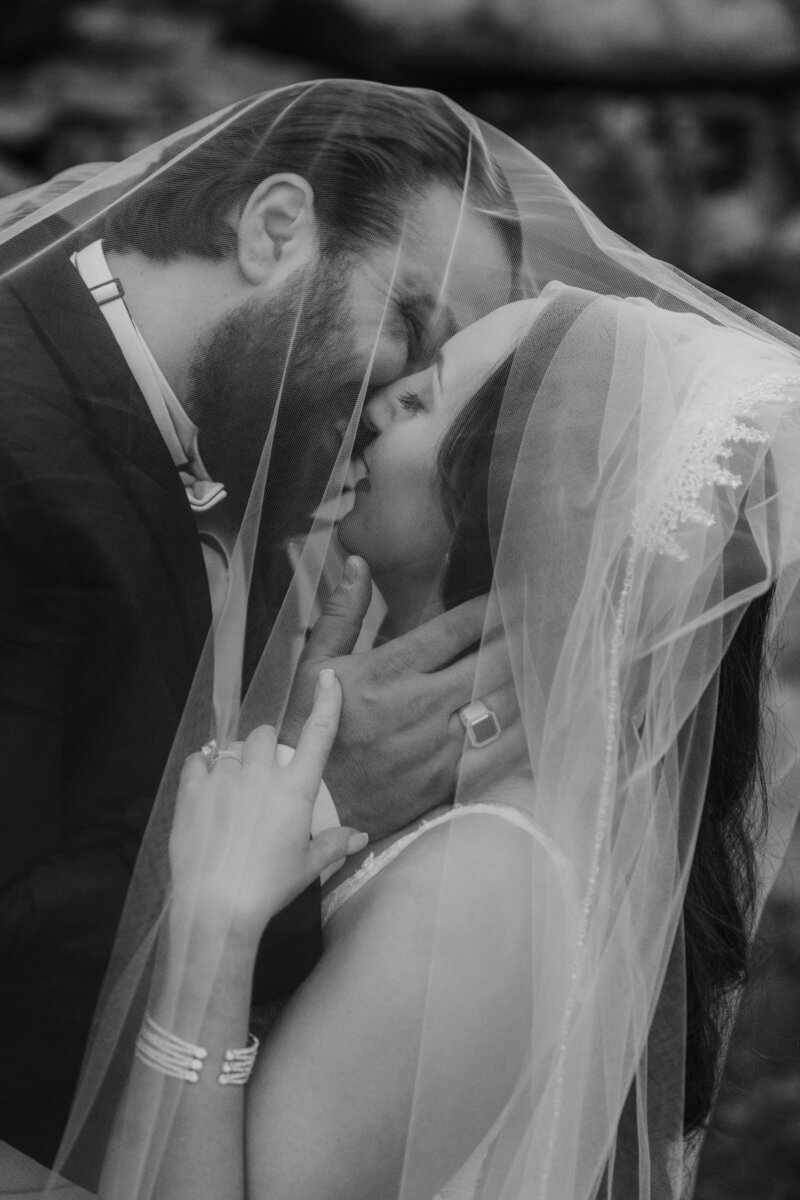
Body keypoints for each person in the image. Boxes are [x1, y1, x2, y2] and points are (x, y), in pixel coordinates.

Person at [58, 284, 800, 1200]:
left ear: (525, 492)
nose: (377, 404)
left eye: (423, 398)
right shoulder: (455, 802)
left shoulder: (485, 877)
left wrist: (214, 924)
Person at [0, 81, 520, 1165]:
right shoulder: (13, 456)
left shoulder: (241, 459)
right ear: (276, 227)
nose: (391, 413)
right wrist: (313, 800)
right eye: (408, 325)